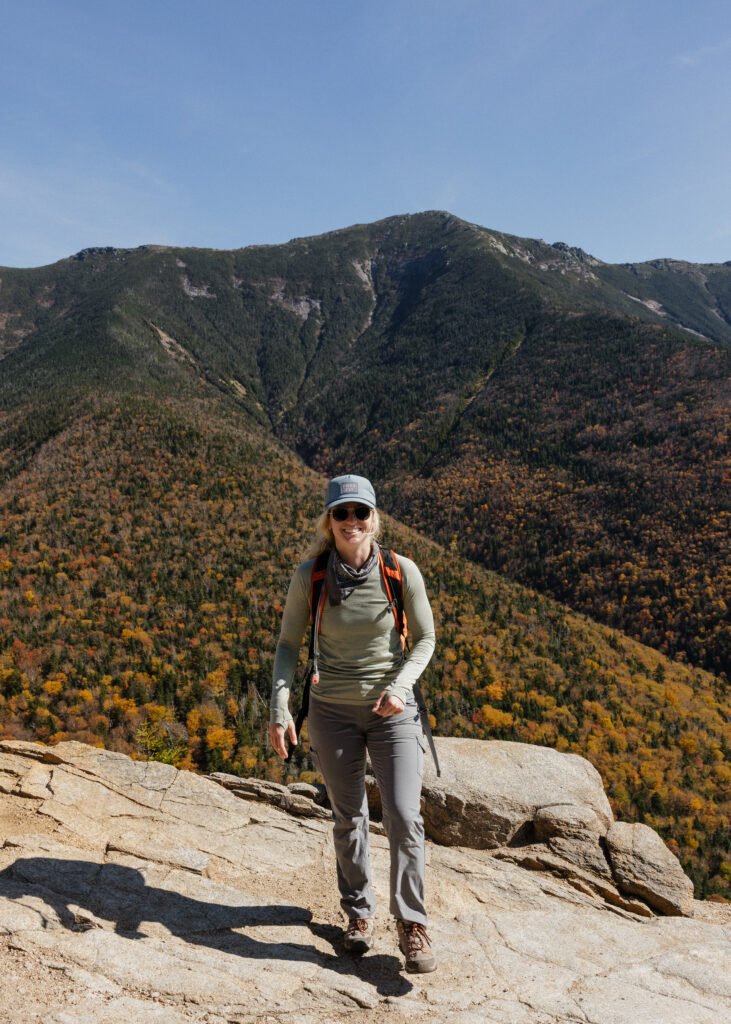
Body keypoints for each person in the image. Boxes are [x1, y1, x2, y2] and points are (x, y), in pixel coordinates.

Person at [269, 473, 437, 973]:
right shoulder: (311, 576)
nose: (351, 522)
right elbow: (286, 647)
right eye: (341, 513)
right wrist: (280, 708)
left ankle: (411, 924)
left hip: (393, 713)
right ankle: (358, 914)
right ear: (329, 520)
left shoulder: (401, 571)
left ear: (373, 517)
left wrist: (401, 688)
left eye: (359, 512)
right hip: (331, 713)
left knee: (405, 816)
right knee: (350, 818)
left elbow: (425, 640)